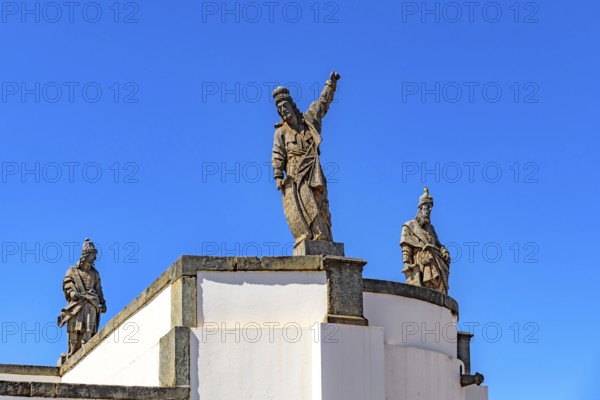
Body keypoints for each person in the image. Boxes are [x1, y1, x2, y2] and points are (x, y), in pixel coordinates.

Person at [271, 71, 340, 246]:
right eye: (279, 108)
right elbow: (278, 154)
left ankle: (323, 238)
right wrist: (278, 176)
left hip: (314, 170)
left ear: (291, 105)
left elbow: (322, 104)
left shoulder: (309, 121)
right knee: (306, 206)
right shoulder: (281, 132)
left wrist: (330, 84)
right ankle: (313, 237)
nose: (282, 110)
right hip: (295, 174)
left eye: (284, 105)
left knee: (321, 206)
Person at [58, 238, 107, 357]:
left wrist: (103, 302)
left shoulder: (95, 273)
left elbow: (98, 289)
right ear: (86, 255)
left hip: (91, 304)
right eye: (93, 255)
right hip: (77, 304)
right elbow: (67, 282)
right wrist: (71, 293)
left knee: (88, 331)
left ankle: (87, 353)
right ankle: (71, 353)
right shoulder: (72, 271)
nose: (95, 258)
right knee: (74, 330)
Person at [400, 188, 451, 294]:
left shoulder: (431, 228)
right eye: (426, 208)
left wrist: (444, 251)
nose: (428, 211)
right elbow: (406, 246)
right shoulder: (409, 225)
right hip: (419, 260)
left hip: (434, 260)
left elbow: (438, 244)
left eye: (430, 209)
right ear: (420, 208)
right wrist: (406, 263)